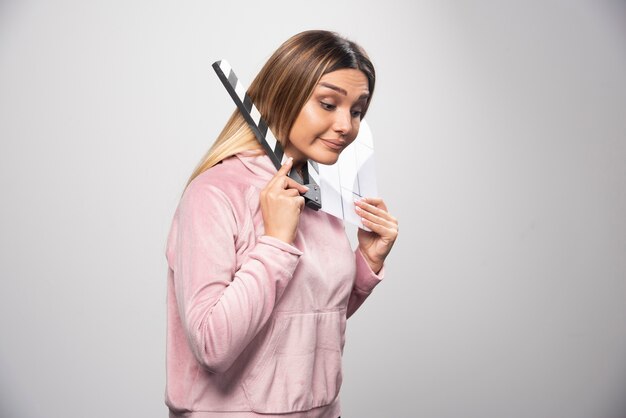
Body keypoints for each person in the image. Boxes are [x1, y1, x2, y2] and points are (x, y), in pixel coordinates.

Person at [165, 30, 398, 418]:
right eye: (328, 104)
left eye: (357, 111)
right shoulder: (214, 194)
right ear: (282, 95)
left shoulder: (316, 196)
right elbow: (212, 346)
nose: (346, 125)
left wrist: (366, 263)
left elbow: (304, 321)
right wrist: (275, 242)